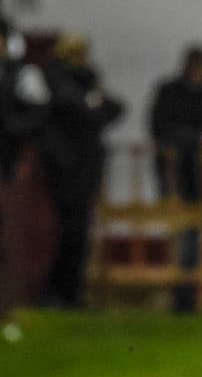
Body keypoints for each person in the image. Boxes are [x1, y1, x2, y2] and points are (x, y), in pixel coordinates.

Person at [39, 31, 123, 309]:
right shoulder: (55, 76)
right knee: (65, 230)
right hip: (65, 165)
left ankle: (71, 292)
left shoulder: (88, 77)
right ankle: (54, 291)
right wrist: (92, 104)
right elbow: (75, 107)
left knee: (80, 230)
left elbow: (113, 108)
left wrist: (92, 105)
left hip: (86, 166)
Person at [150, 44, 202, 313]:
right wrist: (194, 139)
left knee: (196, 232)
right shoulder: (169, 91)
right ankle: (181, 292)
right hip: (174, 174)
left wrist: (197, 141)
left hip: (200, 175)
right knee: (180, 232)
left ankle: (190, 293)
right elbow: (160, 128)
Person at [0, 17, 50, 340]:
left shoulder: (22, 75)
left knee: (6, 239)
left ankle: (6, 307)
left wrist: (10, 132)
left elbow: (38, 113)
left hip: (6, 167)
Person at [150, 44, 202, 203]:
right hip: (172, 157)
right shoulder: (168, 90)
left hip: (201, 159)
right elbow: (158, 123)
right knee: (172, 199)